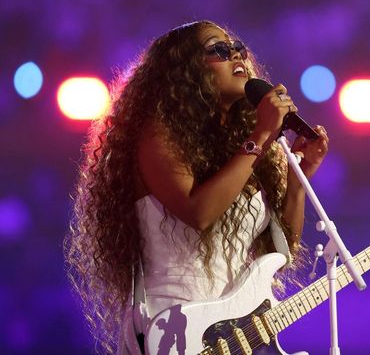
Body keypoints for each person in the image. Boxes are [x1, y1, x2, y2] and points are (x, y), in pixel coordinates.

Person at [65, 20, 329, 354]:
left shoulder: (242, 148)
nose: (236, 55)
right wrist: (261, 135)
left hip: (235, 333)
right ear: (185, 71)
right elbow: (199, 212)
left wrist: (300, 176)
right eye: (219, 49)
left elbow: (281, 250)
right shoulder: (159, 135)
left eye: (238, 48)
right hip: (177, 328)